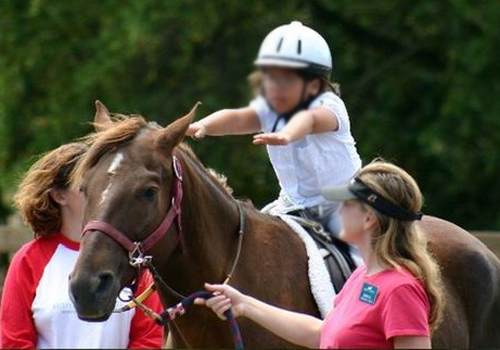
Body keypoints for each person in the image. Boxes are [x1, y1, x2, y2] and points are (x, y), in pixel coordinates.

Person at [195, 160, 445, 349]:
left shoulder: (400, 290)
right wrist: (244, 304)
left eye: (346, 204)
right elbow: (322, 332)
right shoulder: (362, 276)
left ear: (369, 218)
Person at [187, 21, 362, 262]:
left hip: (342, 204)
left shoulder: (330, 106)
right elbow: (237, 117)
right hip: (292, 205)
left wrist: (287, 134)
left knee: (360, 262)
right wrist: (202, 126)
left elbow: (309, 120)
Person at [0, 143, 164, 348]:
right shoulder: (28, 260)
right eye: (87, 186)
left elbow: (150, 338)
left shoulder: (132, 257)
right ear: (60, 196)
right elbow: (14, 341)